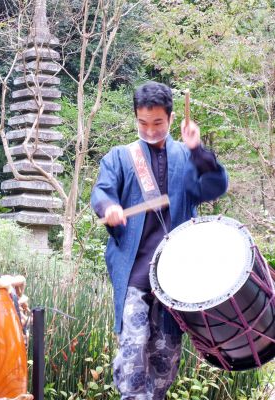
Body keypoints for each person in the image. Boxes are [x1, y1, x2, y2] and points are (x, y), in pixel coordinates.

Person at [91, 81, 228, 399]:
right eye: (142, 123)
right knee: (132, 352)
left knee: (165, 360)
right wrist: (109, 207)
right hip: (135, 272)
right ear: (136, 118)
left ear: (170, 119)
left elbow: (215, 186)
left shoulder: (185, 156)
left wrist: (197, 149)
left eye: (158, 123)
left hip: (173, 278)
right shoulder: (121, 157)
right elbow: (102, 191)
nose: (150, 130)